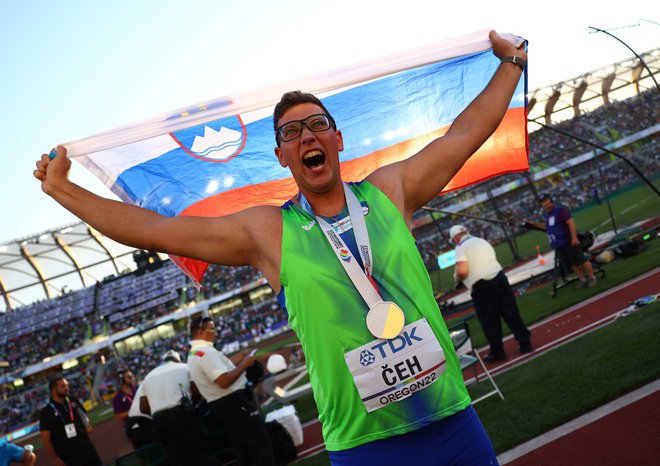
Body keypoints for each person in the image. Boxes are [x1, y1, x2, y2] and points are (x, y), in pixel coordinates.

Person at [35, 30, 525, 464]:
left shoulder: (390, 190)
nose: (306, 135)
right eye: (291, 132)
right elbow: (154, 231)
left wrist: (512, 64)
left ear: (336, 137)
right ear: (281, 155)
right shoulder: (267, 232)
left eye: (316, 124)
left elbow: (466, 133)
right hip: (366, 445)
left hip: (452, 418)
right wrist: (63, 189)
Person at [187, 316, 276, 466]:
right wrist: (245, 364)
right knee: (260, 443)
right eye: (212, 329)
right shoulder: (205, 353)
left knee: (243, 448)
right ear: (201, 332)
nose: (215, 333)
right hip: (234, 402)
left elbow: (223, 367)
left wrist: (241, 356)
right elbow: (224, 381)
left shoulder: (195, 353)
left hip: (222, 406)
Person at [450, 225, 533, 362]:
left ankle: (498, 352)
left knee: (489, 320)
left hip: (482, 285)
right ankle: (525, 343)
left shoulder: (461, 247)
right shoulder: (481, 241)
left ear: (456, 238)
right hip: (499, 278)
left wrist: (457, 279)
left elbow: (462, 271)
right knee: (512, 313)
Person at [139, 350, 218, 466]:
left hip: (159, 419)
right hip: (182, 412)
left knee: (177, 459)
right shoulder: (184, 367)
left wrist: (159, 413)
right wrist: (192, 406)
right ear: (177, 359)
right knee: (202, 451)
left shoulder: (148, 376)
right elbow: (196, 391)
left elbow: (143, 407)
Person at [527, 194, 597, 289]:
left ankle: (592, 277)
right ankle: (582, 279)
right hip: (558, 244)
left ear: (550, 200)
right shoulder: (547, 215)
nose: (545, 203)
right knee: (572, 264)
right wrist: (535, 224)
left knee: (582, 260)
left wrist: (574, 238)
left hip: (568, 241)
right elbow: (547, 227)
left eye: (546, 201)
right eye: (543, 202)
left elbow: (571, 222)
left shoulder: (560, 211)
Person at [39, 376, 102, 466]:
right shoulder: (46, 412)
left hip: (86, 447)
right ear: (53, 390)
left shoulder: (73, 401)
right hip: (67, 455)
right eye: (63, 386)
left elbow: (84, 418)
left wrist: (88, 425)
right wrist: (55, 459)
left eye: (67, 385)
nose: (66, 388)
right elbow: (46, 440)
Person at [125, 383, 156, 450]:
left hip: (135, 420)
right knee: (150, 449)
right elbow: (143, 408)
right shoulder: (149, 384)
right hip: (139, 419)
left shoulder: (146, 383)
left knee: (143, 451)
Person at [112, 370, 138, 440]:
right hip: (133, 426)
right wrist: (131, 411)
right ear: (122, 380)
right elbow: (118, 416)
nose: (132, 378)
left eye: (132, 376)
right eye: (129, 377)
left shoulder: (137, 389)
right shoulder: (118, 397)